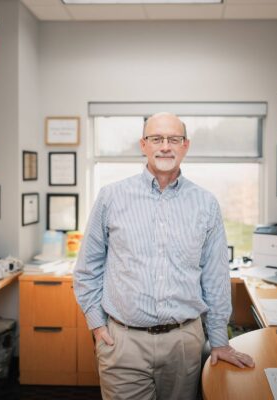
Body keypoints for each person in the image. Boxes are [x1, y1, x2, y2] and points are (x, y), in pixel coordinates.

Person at [73, 112, 254, 400]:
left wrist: (219, 341)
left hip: (184, 343)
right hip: (123, 342)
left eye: (174, 139)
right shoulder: (111, 197)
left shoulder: (205, 203)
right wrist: (97, 325)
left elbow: (215, 277)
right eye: (157, 139)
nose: (165, 146)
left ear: (186, 145)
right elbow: (87, 269)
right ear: (143, 145)